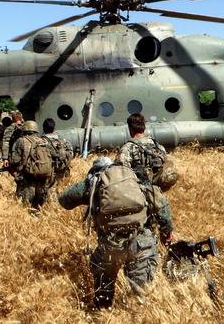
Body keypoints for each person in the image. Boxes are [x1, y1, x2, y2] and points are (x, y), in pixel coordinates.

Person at [58, 157, 175, 309]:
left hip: (110, 246)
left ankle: (103, 314)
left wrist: (89, 186)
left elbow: (64, 200)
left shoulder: (95, 182)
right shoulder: (136, 180)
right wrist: (166, 233)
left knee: (103, 294)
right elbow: (162, 206)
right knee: (141, 298)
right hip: (141, 243)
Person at [115, 113, 177, 189]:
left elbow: (120, 172)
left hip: (138, 193)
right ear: (144, 127)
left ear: (130, 128)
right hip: (157, 192)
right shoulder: (157, 145)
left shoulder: (127, 148)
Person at [9, 120, 52, 210]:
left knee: (25, 207)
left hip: (27, 179)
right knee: (40, 207)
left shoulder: (21, 141)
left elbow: (14, 160)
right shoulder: (44, 141)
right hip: (43, 178)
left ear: (24, 130)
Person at [42, 117, 73, 182]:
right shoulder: (63, 141)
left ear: (44, 128)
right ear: (54, 128)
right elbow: (71, 154)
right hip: (63, 174)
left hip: (47, 176)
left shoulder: (41, 142)